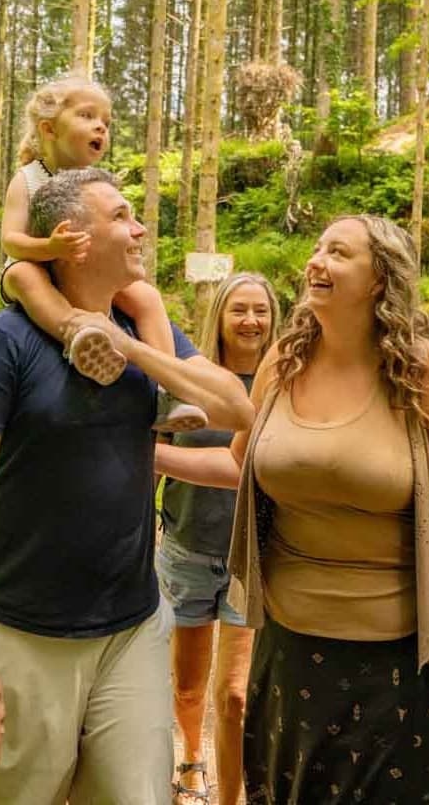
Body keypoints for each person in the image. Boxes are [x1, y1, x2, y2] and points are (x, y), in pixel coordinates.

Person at [0, 167, 255, 804]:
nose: (139, 229)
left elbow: (236, 410)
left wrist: (129, 349)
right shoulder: (4, 346)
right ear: (72, 236)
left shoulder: (145, 335)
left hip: (134, 629)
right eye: (121, 216)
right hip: (26, 635)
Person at [226, 214, 429, 805]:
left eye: (338, 253)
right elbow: (242, 462)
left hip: (397, 662)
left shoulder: (428, 375)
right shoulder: (281, 364)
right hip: (289, 650)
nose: (316, 261)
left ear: (379, 279)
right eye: (317, 249)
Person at [0, 74, 205, 432]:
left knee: (146, 296)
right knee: (22, 274)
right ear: (48, 129)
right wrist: (49, 248)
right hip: (36, 268)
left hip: (85, 273)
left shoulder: (97, 184)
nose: (100, 127)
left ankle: (169, 389)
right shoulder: (28, 178)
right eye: (86, 116)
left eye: (106, 123)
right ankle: (77, 333)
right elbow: (11, 241)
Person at [154, 274, 281, 805]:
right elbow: (149, 457)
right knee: (186, 686)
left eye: (261, 311)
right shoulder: (189, 378)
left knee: (234, 694)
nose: (251, 321)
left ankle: (230, 796)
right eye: (239, 311)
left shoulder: (284, 384)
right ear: (221, 318)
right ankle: (189, 756)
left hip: (250, 557)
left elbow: (251, 467)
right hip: (185, 548)